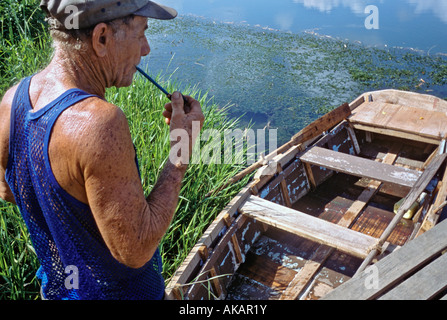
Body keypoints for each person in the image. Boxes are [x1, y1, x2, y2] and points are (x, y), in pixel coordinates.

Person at [0, 0, 204, 300]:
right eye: (141, 33)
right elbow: (135, 250)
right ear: (102, 38)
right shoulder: (100, 123)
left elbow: (8, 191)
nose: (145, 49)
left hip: (57, 291)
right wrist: (180, 153)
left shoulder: (11, 100)